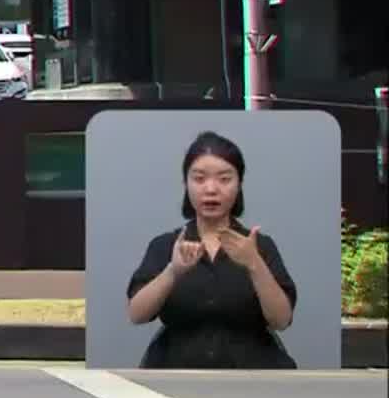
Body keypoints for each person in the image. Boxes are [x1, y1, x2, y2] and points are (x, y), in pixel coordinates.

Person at [125, 130, 298, 368]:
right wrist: (173, 272)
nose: (211, 189)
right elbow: (137, 314)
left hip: (254, 377)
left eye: (224, 179)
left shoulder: (260, 246)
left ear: (239, 185)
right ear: (186, 184)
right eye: (199, 178)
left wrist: (254, 264)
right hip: (176, 375)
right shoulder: (165, 245)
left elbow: (281, 320)